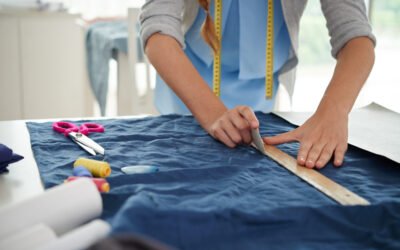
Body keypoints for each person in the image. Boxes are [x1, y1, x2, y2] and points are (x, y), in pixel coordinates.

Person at [139, 0, 375, 169]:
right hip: (190, 91)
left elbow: (357, 38)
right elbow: (157, 31)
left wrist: (333, 113)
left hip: (260, 95)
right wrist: (213, 115)